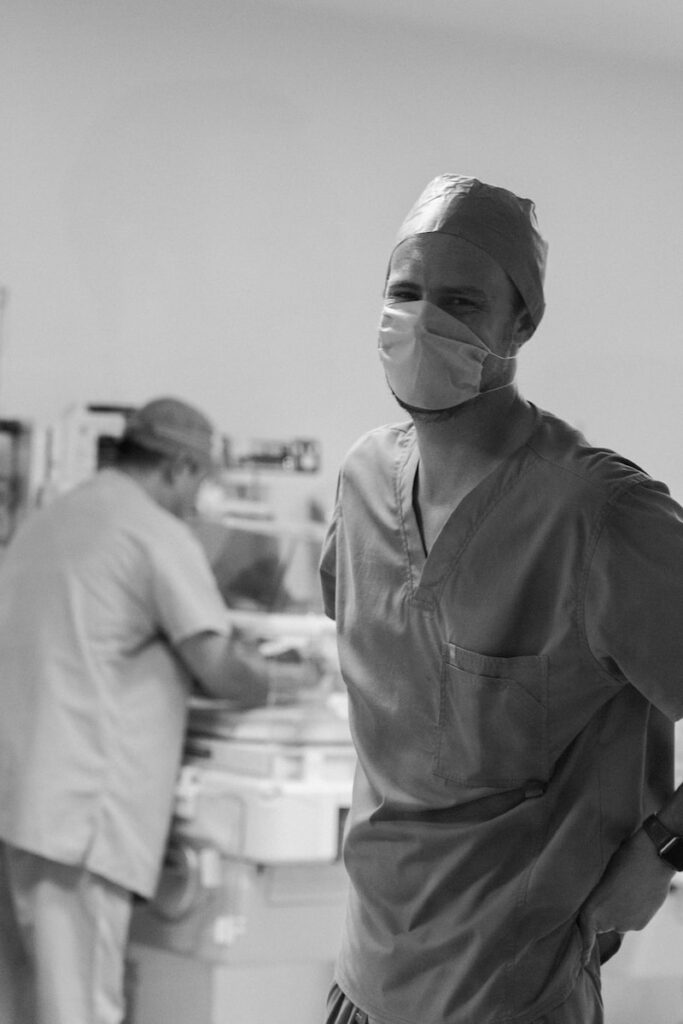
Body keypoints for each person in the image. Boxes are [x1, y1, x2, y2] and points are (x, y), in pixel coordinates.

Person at [320, 175, 683, 1024]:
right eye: (404, 294)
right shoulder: (363, 482)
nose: (422, 323)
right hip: (364, 981)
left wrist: (662, 850)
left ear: (520, 325)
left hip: (510, 993)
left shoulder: (597, 514)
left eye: (459, 302)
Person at [0, 396, 270, 1024]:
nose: (197, 498)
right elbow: (219, 665)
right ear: (180, 467)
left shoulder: (51, 519)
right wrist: (279, 678)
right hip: (81, 814)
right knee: (80, 1007)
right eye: (200, 481)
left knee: (26, 1002)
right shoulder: (153, 533)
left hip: (22, 802)